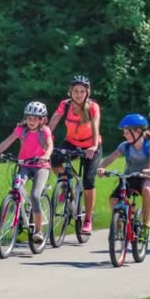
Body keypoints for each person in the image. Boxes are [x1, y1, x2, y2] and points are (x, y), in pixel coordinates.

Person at [0, 101, 54, 243]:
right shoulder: (21, 129)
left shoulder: (44, 131)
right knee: (16, 187)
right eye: (29, 118)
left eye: (35, 118)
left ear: (42, 119)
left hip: (41, 166)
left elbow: (50, 145)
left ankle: (38, 231)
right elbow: (8, 141)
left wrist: (46, 155)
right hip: (24, 164)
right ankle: (17, 214)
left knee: (35, 195)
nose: (31, 121)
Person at [48, 75, 102, 235]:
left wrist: (92, 146)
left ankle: (87, 220)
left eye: (82, 91)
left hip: (91, 144)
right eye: (75, 91)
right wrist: (46, 138)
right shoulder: (65, 105)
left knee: (88, 181)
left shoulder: (92, 107)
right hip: (71, 142)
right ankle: (65, 187)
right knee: (55, 159)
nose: (78, 94)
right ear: (70, 91)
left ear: (87, 93)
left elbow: (95, 125)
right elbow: (53, 121)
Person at [97, 113, 150, 241]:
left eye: (127, 132)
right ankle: (119, 225)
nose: (124, 135)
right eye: (124, 132)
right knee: (113, 200)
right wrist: (101, 167)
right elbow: (111, 157)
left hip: (144, 177)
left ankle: (145, 226)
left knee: (147, 190)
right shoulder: (125, 146)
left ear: (138, 131)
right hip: (129, 177)